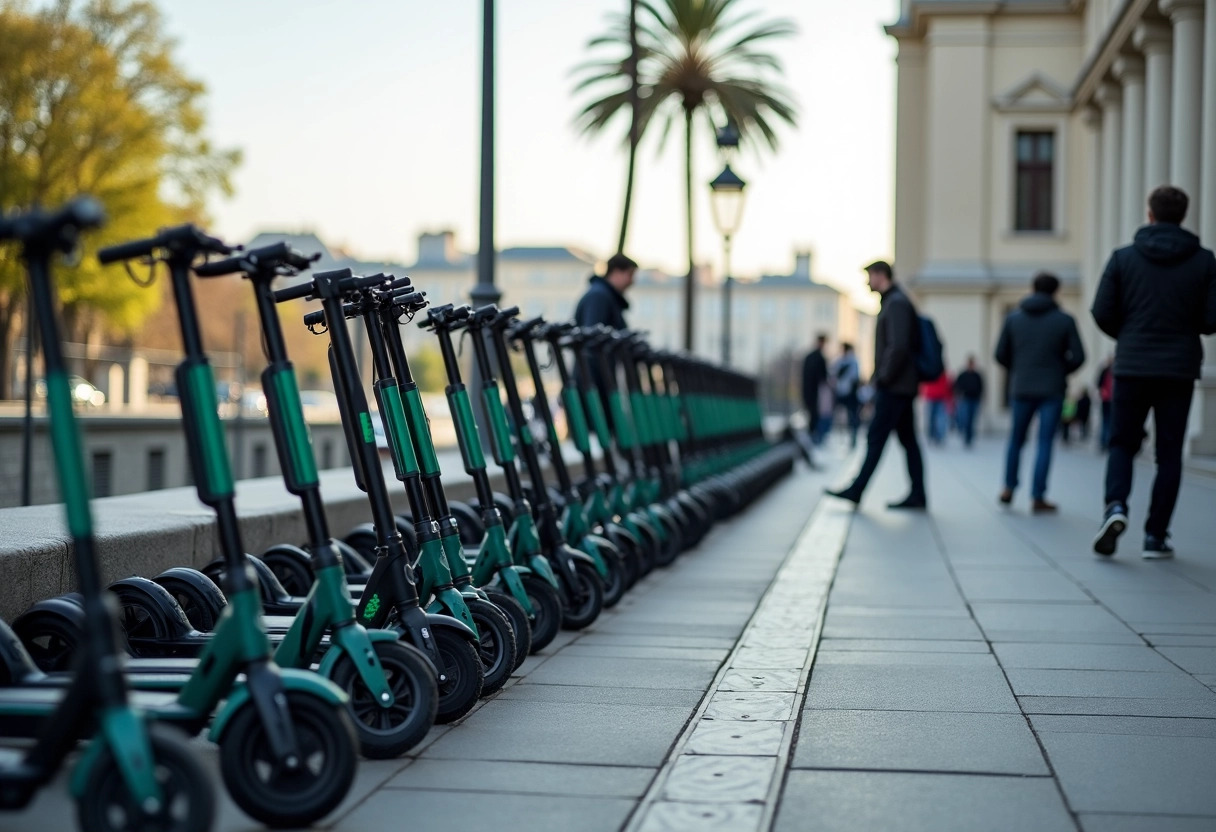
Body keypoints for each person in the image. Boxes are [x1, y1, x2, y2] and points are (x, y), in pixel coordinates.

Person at [1091, 185, 1216, 559]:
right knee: (1169, 453)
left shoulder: (1123, 258)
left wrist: (1128, 335)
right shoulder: (1204, 261)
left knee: (1122, 444)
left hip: (1131, 364)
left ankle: (1115, 507)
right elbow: (1212, 321)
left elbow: (1101, 311)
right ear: (1182, 216)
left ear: (1150, 214)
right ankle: (1155, 535)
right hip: (1177, 368)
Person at [827, 261, 926, 509]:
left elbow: (899, 346)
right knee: (908, 441)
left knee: (876, 436)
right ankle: (918, 494)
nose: (867, 282)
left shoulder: (896, 304)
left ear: (881, 275)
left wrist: (881, 378)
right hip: (900, 385)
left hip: (894, 387)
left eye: (870, 276)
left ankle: (857, 490)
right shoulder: (894, 302)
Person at [995, 271, 1085, 514]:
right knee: (1045, 442)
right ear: (1056, 291)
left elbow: (1000, 354)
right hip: (1051, 389)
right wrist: (1059, 370)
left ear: (1033, 288)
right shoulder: (1064, 320)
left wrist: (1019, 368)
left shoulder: (1014, 319)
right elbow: (1079, 357)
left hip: (1021, 386)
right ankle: (1038, 496)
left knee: (1016, 440)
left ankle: (1008, 487)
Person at [575, 252, 636, 331]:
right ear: (616, 272)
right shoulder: (599, 296)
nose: (632, 281)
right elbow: (592, 335)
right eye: (630, 275)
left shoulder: (604, 295)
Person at [831, 343, 862, 448]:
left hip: (849, 393)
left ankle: (852, 437)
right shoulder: (839, 361)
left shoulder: (853, 361)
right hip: (841, 392)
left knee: (851, 416)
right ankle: (838, 436)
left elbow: (855, 378)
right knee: (839, 415)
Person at [801, 334, 830, 446]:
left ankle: (812, 435)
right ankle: (813, 436)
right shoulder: (817, 358)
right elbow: (823, 377)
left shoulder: (812, 357)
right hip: (814, 391)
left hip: (811, 391)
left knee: (813, 414)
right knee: (813, 414)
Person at [953, 357, 984, 448]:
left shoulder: (977, 375)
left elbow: (981, 387)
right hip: (965, 399)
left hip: (974, 400)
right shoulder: (963, 375)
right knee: (965, 418)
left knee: (972, 419)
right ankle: (965, 436)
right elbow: (956, 386)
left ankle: (969, 437)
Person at [921, 367, 952, 445]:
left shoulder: (936, 373)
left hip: (939, 398)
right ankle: (933, 436)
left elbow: (947, 387)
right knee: (935, 419)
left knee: (938, 419)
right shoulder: (933, 372)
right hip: (932, 398)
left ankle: (936, 436)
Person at [1096, 358, 1115, 450]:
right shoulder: (1111, 371)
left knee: (1106, 421)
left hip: (1108, 398)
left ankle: (1105, 441)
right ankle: (1105, 441)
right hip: (1109, 399)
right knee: (1108, 421)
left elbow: (1098, 383)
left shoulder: (1106, 370)